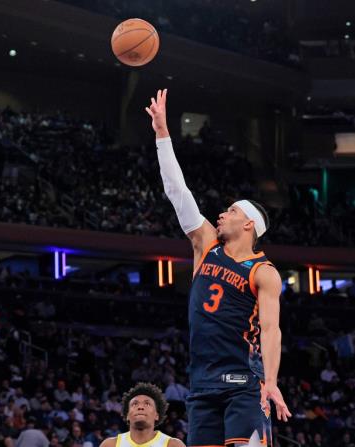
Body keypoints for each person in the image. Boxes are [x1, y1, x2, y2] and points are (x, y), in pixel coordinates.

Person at [146, 89, 291, 447]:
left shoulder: (264, 272)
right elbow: (177, 193)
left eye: (233, 211)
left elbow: (272, 331)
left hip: (244, 382)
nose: (222, 214)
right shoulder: (206, 244)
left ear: (249, 226)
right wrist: (162, 134)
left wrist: (270, 381)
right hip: (202, 383)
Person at [100, 382, 184, 447]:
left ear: (156, 415)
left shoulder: (173, 444)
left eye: (147, 404)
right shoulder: (110, 445)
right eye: (135, 404)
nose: (140, 407)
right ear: (127, 415)